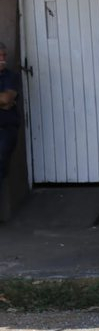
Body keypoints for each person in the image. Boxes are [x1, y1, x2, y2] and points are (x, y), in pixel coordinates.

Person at [0, 42, 20, 220]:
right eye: (0, 56)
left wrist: (6, 101)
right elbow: (4, 102)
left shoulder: (10, 76)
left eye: (5, 56)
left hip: (6, 129)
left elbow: (7, 98)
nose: (3, 59)